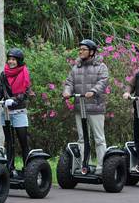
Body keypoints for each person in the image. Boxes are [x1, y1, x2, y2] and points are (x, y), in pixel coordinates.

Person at [62, 39, 109, 175]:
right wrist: (67, 91)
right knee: (82, 138)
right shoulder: (76, 67)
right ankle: (84, 165)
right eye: (80, 49)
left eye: (84, 49)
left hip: (95, 107)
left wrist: (93, 91)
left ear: (92, 52)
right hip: (79, 107)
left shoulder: (101, 67)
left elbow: (103, 81)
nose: (81, 51)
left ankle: (101, 168)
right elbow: (69, 82)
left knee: (99, 139)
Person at [0, 48, 31, 177]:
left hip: (19, 111)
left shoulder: (24, 73)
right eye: (9, 59)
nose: (11, 61)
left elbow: (25, 93)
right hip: (6, 112)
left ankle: (28, 169)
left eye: (13, 59)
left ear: (19, 61)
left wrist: (14, 100)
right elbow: (0, 90)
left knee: (22, 140)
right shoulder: (4, 74)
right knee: (9, 141)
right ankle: (10, 167)